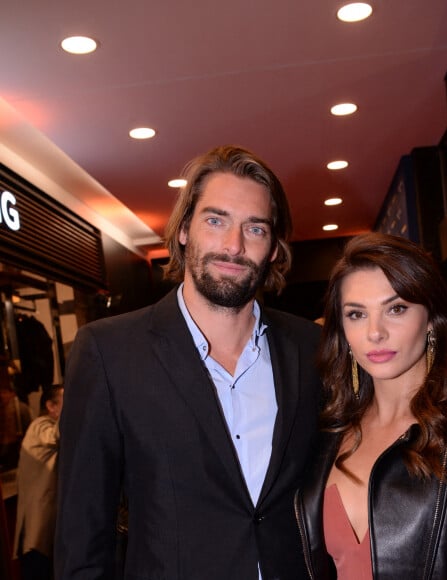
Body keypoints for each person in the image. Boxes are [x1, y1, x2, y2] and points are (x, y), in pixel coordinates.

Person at [55, 145, 322, 580]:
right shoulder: (108, 351)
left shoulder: (310, 347)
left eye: (254, 229)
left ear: (274, 248)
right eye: (215, 221)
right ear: (183, 231)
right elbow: (82, 533)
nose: (233, 246)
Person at [295, 233, 447, 579]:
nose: (375, 332)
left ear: (430, 319)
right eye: (356, 314)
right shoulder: (328, 432)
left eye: (396, 309)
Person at [13, 384, 64, 580]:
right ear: (51, 406)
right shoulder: (39, 426)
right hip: (36, 536)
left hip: (47, 536)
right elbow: (56, 436)